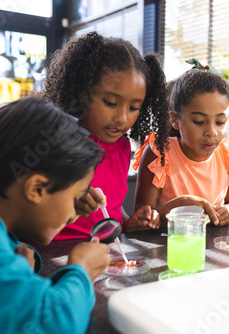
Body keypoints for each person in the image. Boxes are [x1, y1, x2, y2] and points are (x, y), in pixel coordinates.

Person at [0, 96, 110, 334]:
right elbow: (52, 324)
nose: (73, 214)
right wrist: (81, 271)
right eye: (73, 199)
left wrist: (15, 258)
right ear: (36, 189)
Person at [43, 32, 170, 234]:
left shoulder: (121, 146)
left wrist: (128, 222)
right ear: (82, 93)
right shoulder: (53, 144)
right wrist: (66, 204)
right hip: (57, 257)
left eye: (134, 108)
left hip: (107, 254)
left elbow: (111, 207)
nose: (122, 118)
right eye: (111, 103)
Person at [133, 68, 229, 226]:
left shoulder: (227, 156)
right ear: (175, 119)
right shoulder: (159, 154)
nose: (211, 132)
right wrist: (180, 206)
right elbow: (142, 217)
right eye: (199, 121)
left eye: (220, 122)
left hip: (213, 246)